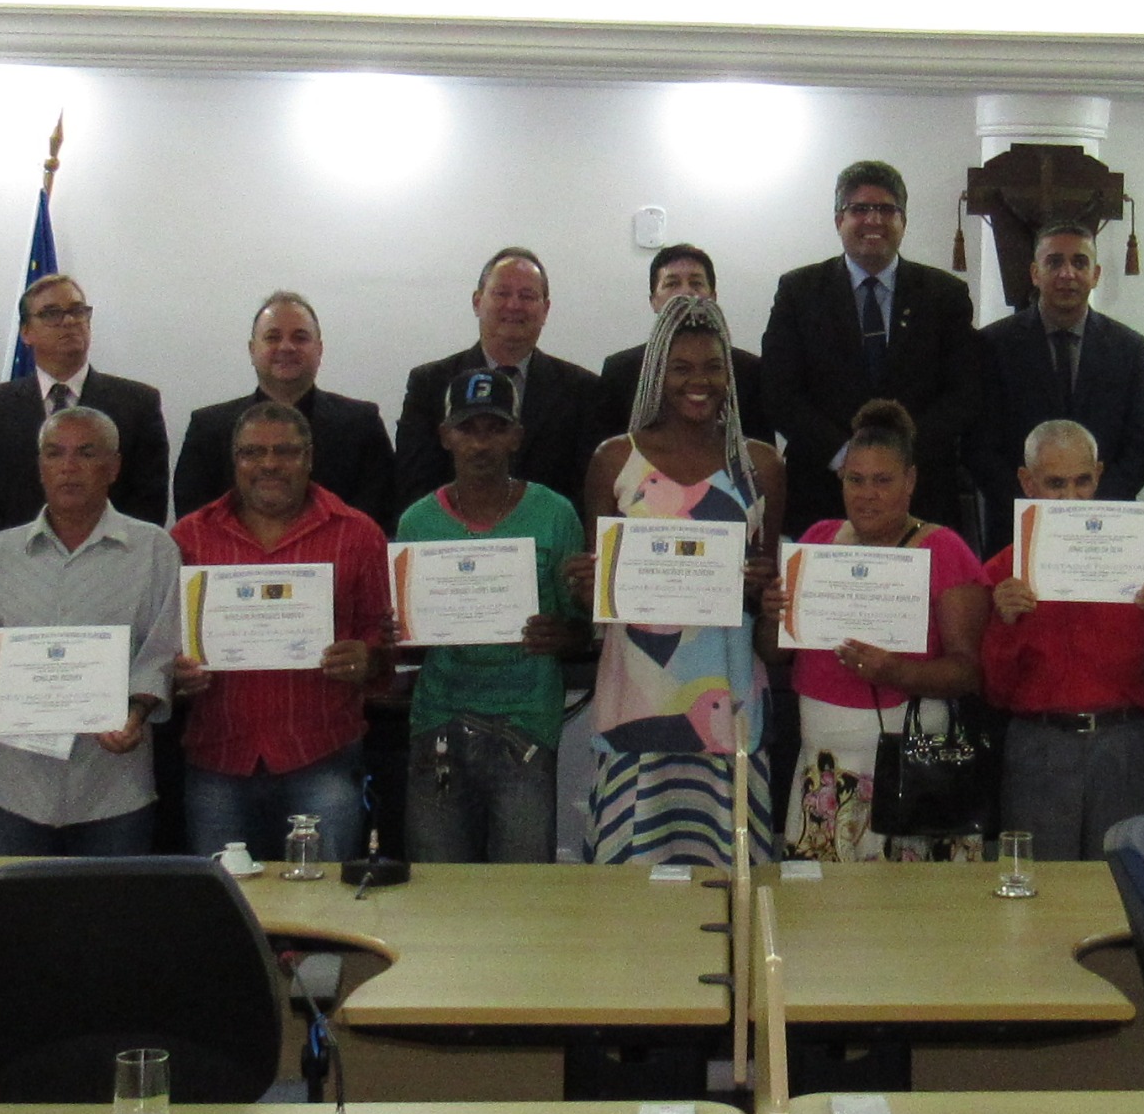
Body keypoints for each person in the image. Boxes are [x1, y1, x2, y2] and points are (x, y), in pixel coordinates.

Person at [572, 296, 785, 865]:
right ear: (656, 373)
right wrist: (587, 586)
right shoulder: (615, 460)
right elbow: (599, 598)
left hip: (730, 696)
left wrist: (763, 587)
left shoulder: (761, 466)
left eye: (713, 367)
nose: (699, 381)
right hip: (636, 700)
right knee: (632, 879)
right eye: (682, 368)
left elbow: (771, 599)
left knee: (730, 876)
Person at [0, 408, 184, 856]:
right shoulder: (0, 553)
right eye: (55, 454)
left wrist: (135, 713)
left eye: (86, 453)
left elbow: (161, 653)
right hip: (14, 788)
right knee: (15, 904)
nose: (69, 467)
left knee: (111, 904)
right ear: (40, 467)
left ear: (113, 467)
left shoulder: (154, 549)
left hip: (112, 787)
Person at [166, 397, 393, 860]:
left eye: (285, 451)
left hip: (321, 758)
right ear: (235, 460)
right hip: (219, 758)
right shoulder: (188, 538)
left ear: (309, 458)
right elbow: (161, 646)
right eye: (253, 452)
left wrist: (367, 659)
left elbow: (385, 647)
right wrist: (176, 674)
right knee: (226, 899)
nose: (269, 464)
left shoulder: (358, 534)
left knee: (321, 900)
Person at [776, 398, 993, 860]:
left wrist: (896, 671)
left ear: (910, 480)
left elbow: (968, 673)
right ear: (840, 479)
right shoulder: (816, 541)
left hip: (910, 776)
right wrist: (773, 613)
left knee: (907, 904)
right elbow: (775, 653)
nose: (867, 494)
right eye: (855, 480)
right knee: (822, 906)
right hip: (822, 771)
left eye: (882, 480)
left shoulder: (945, 549)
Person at [393, 370, 592, 862]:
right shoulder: (417, 522)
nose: (481, 443)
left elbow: (581, 632)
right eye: (467, 428)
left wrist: (560, 634)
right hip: (439, 717)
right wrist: (397, 631)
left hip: (526, 722)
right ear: (445, 435)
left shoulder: (555, 513)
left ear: (516, 436)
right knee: (438, 883)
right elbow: (407, 642)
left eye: (495, 428)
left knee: (521, 885)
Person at [982, 420, 1144, 860]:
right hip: (1039, 744)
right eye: (1055, 483)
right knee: (1041, 887)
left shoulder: (1141, 557)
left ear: (1099, 475)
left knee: (1123, 885)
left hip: (1124, 742)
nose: (1071, 497)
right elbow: (993, 692)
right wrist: (1004, 623)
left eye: (1082, 481)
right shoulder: (1003, 572)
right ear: (1027, 482)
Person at [762, 159, 984, 531]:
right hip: (823, 492)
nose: (873, 220)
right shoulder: (799, 292)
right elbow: (779, 392)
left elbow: (965, 393)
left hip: (921, 493)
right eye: (860, 209)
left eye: (886, 209)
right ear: (839, 220)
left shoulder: (944, 295)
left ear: (903, 221)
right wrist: (846, 457)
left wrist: (899, 459)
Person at [0, 274, 172, 536]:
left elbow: (149, 500)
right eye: (52, 313)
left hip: (115, 551)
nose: (69, 321)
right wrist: (11, 548)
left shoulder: (138, 403)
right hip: (13, 552)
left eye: (78, 311)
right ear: (26, 332)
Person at [972, 222, 1144, 542]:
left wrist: (1088, 509)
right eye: (1055, 262)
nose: (1067, 273)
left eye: (1080, 263)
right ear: (1035, 273)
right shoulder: (993, 345)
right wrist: (1035, 507)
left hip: (1103, 527)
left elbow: (1141, 447)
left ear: (1095, 275)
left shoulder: (1128, 348)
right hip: (1015, 526)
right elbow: (980, 446)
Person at [393, 247, 609, 511]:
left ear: (545, 309)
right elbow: (414, 485)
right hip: (453, 533)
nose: (514, 305)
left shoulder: (583, 391)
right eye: (502, 293)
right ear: (477, 302)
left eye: (527, 296)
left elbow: (590, 491)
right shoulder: (430, 384)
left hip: (550, 534)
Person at [174, 290, 397, 522]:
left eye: (300, 338)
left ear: (319, 349)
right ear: (252, 350)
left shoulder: (362, 425)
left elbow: (378, 519)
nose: (286, 347)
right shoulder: (208, 429)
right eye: (273, 337)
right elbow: (194, 525)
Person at [597, 246, 775, 447]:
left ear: (713, 296)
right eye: (672, 284)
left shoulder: (748, 370)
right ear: (653, 301)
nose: (686, 292)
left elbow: (761, 452)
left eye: (696, 283)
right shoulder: (621, 370)